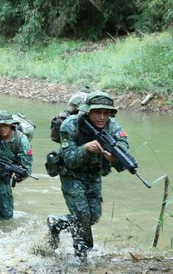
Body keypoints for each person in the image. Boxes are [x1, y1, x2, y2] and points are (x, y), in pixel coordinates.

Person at [47, 91, 129, 260]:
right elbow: (69, 159)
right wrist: (85, 148)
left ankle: (57, 222)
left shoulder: (113, 127)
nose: (102, 117)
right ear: (87, 111)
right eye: (97, 112)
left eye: (106, 113)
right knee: (82, 215)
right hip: (71, 174)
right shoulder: (70, 125)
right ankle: (81, 256)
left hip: (93, 175)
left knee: (93, 216)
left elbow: (123, 148)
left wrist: (115, 157)